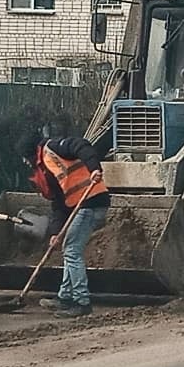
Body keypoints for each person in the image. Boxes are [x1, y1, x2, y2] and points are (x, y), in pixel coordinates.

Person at [23, 130, 110, 318]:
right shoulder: (45, 169)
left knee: (72, 251)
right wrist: (56, 232)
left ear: (31, 153)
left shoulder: (53, 148)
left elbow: (81, 145)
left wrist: (94, 167)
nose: (25, 163)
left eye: (25, 159)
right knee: (68, 248)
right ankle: (65, 297)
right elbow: (59, 203)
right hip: (80, 206)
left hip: (91, 201)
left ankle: (81, 301)